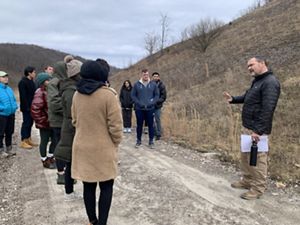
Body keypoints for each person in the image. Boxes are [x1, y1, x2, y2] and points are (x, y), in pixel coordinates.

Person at [71, 60, 122, 225]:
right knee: (106, 186)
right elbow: (116, 127)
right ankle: (102, 223)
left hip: (82, 147)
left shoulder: (76, 94)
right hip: (103, 148)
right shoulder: (108, 95)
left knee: (88, 186)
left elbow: (74, 121)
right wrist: (115, 143)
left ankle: (92, 221)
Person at [223, 56, 280, 200]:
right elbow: (248, 97)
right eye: (248, 66)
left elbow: (268, 109)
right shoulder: (258, 81)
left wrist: (258, 131)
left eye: (251, 65)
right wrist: (234, 99)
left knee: (259, 160)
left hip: (257, 130)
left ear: (262, 63)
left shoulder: (270, 82)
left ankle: (258, 188)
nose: (249, 68)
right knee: (245, 156)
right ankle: (247, 181)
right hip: (248, 127)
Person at [54, 58, 83, 201]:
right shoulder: (71, 91)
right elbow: (74, 114)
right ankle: (69, 192)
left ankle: (69, 191)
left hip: (70, 128)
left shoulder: (70, 87)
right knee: (70, 161)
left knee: (71, 161)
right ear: (75, 74)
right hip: (71, 130)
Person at [47, 59, 69, 184]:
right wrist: (69, 107)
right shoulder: (54, 83)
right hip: (58, 121)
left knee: (65, 146)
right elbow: (55, 104)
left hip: (63, 120)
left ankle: (65, 171)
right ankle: (61, 173)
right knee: (60, 147)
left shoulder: (63, 82)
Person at [31, 72, 56, 169]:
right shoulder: (39, 93)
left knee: (55, 140)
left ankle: (50, 157)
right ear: (42, 82)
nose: (50, 81)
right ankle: (44, 159)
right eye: (47, 80)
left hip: (52, 122)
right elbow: (35, 109)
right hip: (45, 123)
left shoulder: (51, 91)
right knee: (44, 141)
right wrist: (43, 121)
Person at [131, 69, 159, 149]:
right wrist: (139, 103)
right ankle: (138, 141)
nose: (145, 76)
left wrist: (152, 102)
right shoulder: (137, 84)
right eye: (144, 75)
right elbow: (133, 96)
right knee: (139, 125)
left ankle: (151, 141)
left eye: (147, 74)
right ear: (141, 75)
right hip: (139, 109)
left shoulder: (153, 84)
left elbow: (157, 95)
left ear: (148, 75)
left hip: (150, 109)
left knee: (151, 125)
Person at [18, 66, 38, 149]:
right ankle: (23, 140)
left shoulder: (32, 81)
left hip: (32, 106)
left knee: (30, 123)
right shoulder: (23, 82)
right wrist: (26, 107)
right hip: (26, 107)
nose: (35, 73)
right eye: (33, 72)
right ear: (29, 73)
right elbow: (23, 97)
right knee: (26, 123)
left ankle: (28, 139)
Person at [0, 71, 18, 158]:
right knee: (0, 133)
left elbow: (14, 100)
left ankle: (9, 149)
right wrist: (2, 108)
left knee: (9, 132)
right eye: (3, 77)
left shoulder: (9, 89)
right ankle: (1, 150)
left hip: (11, 114)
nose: (6, 78)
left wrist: (15, 107)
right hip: (2, 114)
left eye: (6, 76)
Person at [151, 72, 167, 140]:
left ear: (159, 77)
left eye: (157, 76)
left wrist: (156, 101)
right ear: (152, 77)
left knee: (157, 119)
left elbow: (163, 97)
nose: (155, 77)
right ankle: (154, 132)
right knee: (151, 120)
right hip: (150, 105)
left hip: (158, 106)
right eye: (154, 76)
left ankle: (159, 134)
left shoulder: (161, 85)